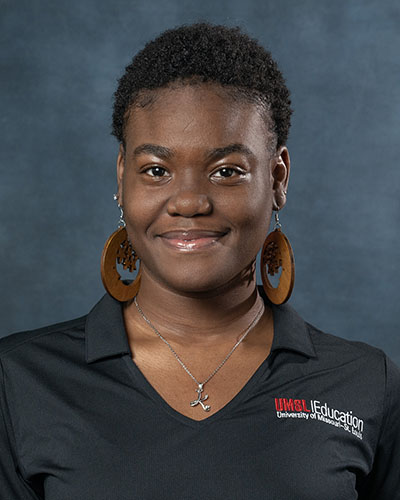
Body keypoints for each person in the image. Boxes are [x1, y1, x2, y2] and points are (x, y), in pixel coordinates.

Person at [0, 23, 399, 500]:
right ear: (122, 178)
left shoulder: (366, 383)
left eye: (226, 171)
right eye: (156, 170)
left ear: (277, 179)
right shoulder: (20, 380)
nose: (189, 202)